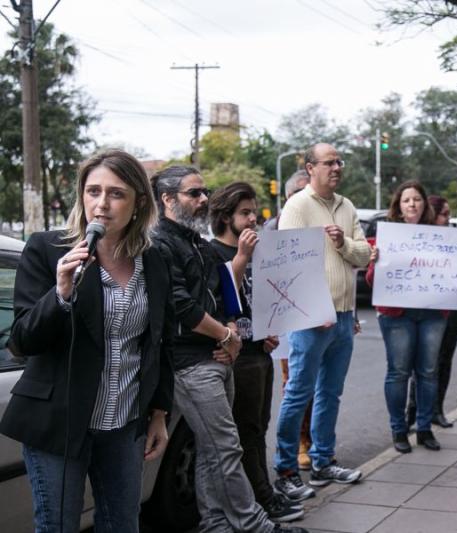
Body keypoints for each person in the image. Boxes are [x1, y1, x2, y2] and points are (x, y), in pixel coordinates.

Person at [0, 150, 174, 532]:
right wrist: (60, 294)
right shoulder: (49, 249)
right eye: (93, 191)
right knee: (58, 525)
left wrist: (159, 413)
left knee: (123, 524)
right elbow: (22, 340)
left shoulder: (155, 260)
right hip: (60, 422)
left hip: (124, 423)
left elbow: (158, 343)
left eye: (115, 193)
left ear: (138, 202)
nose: (101, 204)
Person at [152, 166, 305, 533]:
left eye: (204, 192)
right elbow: (181, 306)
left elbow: (223, 294)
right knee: (226, 446)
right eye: (194, 193)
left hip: (219, 356)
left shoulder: (195, 243)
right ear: (168, 199)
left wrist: (232, 328)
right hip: (191, 363)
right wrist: (226, 335)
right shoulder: (159, 243)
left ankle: (215, 523)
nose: (203, 199)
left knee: (212, 449)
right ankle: (254, 523)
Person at [273, 143, 371, 501]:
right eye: (329, 162)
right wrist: (312, 311)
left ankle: (323, 460)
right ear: (310, 167)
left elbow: (363, 254)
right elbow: (287, 264)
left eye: (339, 162)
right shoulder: (297, 206)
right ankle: (285, 470)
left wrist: (343, 242)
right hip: (311, 320)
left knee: (331, 392)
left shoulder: (346, 207)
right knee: (298, 392)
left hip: (344, 317)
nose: (336, 168)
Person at [209, 182, 304, 523]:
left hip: (258, 351)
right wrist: (242, 258)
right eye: (244, 213)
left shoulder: (258, 252)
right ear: (225, 217)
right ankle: (261, 498)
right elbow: (220, 297)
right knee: (245, 430)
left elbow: (264, 299)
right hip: (236, 357)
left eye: (254, 212)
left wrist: (270, 331)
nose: (253, 219)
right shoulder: (213, 254)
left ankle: (260, 491)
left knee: (258, 426)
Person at [366, 181, 448, 453]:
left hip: (433, 312)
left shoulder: (441, 237)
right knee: (399, 372)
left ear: (425, 204)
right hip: (396, 314)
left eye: (416, 199)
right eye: (406, 200)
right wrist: (375, 262)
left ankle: (424, 429)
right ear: (398, 207)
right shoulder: (386, 237)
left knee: (427, 371)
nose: (412, 204)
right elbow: (370, 281)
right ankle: (399, 430)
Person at [266, 169, 317, 472]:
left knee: (321, 385)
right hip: (289, 317)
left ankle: (316, 441)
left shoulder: (324, 226)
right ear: (287, 199)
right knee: (294, 383)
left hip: (321, 315)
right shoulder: (272, 230)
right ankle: (298, 444)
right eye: (297, 193)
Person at [405, 194, 457, 428]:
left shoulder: (456, 238)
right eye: (444, 214)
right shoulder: (421, 238)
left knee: (444, 359)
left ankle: (435, 409)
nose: (448, 219)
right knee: (421, 361)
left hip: (453, 307)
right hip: (428, 306)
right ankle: (414, 410)